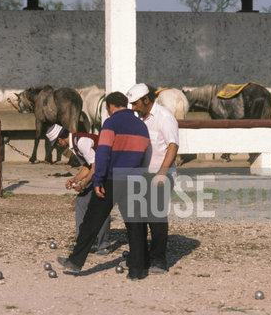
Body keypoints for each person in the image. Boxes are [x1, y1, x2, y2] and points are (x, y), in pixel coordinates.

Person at [57, 91, 151, 280]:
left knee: (92, 221)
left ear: (110, 107)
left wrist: (98, 180)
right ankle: (137, 271)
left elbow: (103, 153)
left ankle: (75, 261)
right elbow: (144, 155)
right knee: (135, 226)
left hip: (112, 179)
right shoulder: (142, 126)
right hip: (134, 178)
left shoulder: (111, 123)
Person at [125, 83, 179, 274]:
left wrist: (162, 173)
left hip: (161, 175)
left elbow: (173, 145)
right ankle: (141, 256)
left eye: (135, 103)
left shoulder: (164, 117)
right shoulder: (139, 120)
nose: (133, 108)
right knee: (138, 218)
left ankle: (159, 260)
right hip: (142, 175)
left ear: (146, 100)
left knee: (156, 217)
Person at [45, 124, 111, 255]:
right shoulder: (74, 144)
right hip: (99, 171)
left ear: (60, 140)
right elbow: (87, 167)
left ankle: (103, 245)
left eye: (56, 144)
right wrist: (75, 179)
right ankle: (82, 242)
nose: (58, 147)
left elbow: (95, 166)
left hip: (108, 171)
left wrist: (83, 183)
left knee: (101, 205)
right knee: (80, 202)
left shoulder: (81, 142)